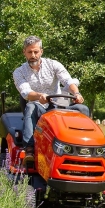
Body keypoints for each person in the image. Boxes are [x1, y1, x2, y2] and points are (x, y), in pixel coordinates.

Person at [13, 35, 90, 163]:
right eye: (30, 52)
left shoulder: (53, 65)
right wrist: (39, 96)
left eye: (36, 51)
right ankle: (29, 150)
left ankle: (82, 147)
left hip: (58, 104)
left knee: (83, 109)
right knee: (30, 107)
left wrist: (76, 93)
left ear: (41, 51)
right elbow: (26, 92)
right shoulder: (19, 72)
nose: (33, 55)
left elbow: (67, 81)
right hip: (38, 107)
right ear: (24, 53)